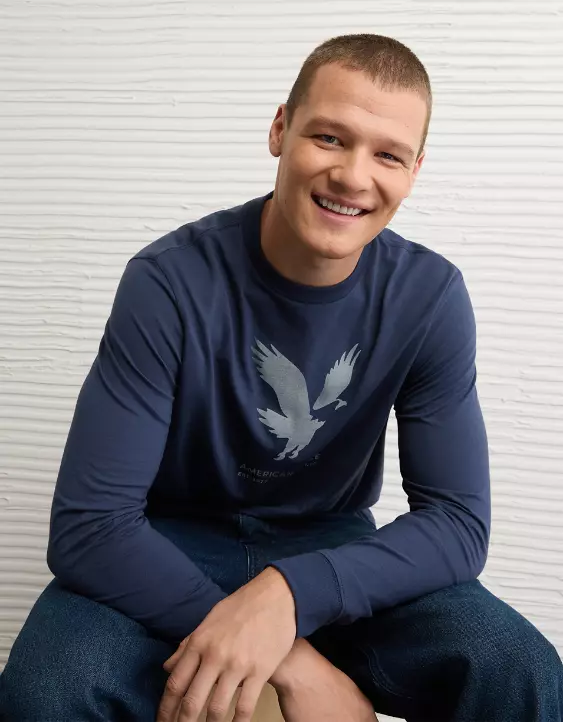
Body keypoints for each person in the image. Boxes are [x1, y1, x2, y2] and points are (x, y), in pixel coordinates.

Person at [0, 32, 561, 722]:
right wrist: (290, 658)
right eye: (329, 137)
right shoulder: (167, 281)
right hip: (166, 545)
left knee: (517, 667)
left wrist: (289, 593)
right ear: (279, 130)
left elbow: (457, 523)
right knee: (47, 687)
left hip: (329, 543)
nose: (353, 176)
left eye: (387, 154)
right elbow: (89, 527)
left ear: (414, 169)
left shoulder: (430, 297)